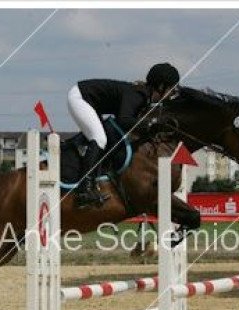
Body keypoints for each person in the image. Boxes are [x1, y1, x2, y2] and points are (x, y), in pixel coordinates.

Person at [67, 63, 180, 208]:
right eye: (171, 88)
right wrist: (152, 124)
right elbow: (124, 120)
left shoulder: (144, 97)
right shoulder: (138, 95)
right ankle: (84, 190)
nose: (171, 93)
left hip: (90, 101)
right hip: (80, 98)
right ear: (161, 86)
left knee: (103, 138)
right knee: (99, 138)